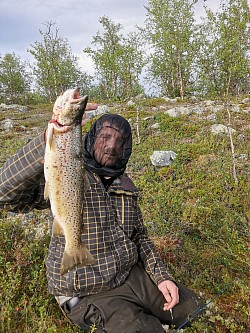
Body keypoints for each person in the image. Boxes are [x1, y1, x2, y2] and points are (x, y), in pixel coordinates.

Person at [0, 90, 202, 333]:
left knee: (191, 308)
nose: (111, 146)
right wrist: (48, 138)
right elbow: (4, 194)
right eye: (105, 137)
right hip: (87, 290)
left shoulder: (125, 185)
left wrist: (162, 277)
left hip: (128, 274)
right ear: (91, 137)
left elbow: (139, 237)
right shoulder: (69, 172)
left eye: (120, 141)